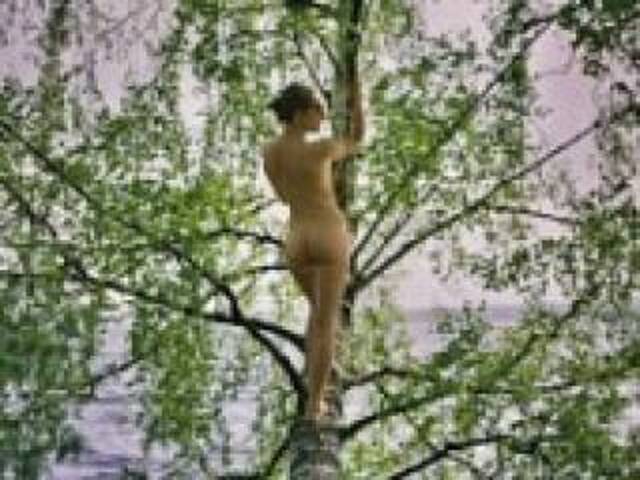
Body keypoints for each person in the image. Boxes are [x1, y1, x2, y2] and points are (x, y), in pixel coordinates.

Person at [262, 75, 364, 422]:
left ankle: (320, 373)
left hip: (296, 238)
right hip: (327, 233)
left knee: (317, 314)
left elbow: (282, 195)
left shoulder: (270, 152)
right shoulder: (319, 149)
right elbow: (356, 139)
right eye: (317, 110)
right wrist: (357, 97)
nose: (322, 116)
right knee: (326, 320)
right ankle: (315, 405)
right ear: (300, 113)